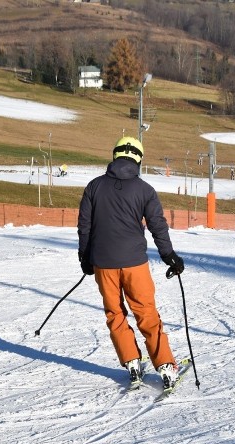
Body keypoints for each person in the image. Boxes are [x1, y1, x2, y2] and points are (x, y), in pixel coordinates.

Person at [77, 136, 184, 388]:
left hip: (104, 263)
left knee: (115, 313)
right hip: (134, 263)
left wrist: (85, 257)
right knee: (145, 311)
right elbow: (157, 225)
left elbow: (85, 226)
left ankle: (132, 363)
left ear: (115, 154)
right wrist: (169, 256)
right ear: (138, 158)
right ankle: (166, 366)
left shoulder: (93, 187)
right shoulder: (145, 190)